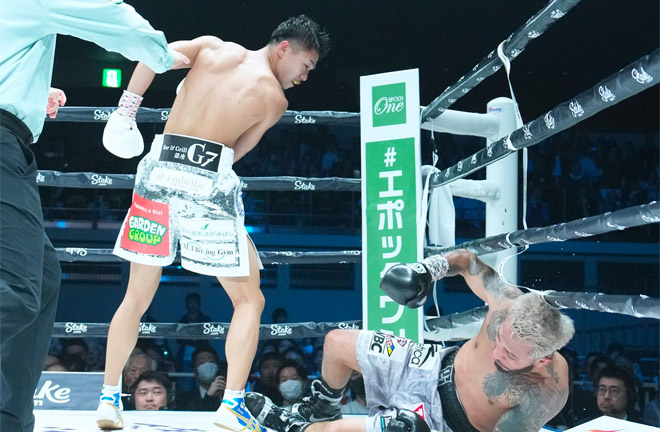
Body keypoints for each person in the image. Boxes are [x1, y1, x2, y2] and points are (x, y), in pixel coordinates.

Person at [97, 15, 330, 431]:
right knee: (249, 301)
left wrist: (126, 111)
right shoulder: (274, 100)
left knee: (136, 297)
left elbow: (152, 53)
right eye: (306, 66)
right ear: (284, 48)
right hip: (207, 186)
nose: (304, 77)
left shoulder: (210, 47)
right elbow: (232, 157)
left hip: (157, 176)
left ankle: (109, 399)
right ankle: (231, 405)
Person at [0, 1, 189, 430]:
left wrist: (28, 95)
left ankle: (10, 419)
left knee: (43, 278)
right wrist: (159, 54)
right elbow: (110, 14)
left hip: (12, 145)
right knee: (18, 287)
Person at [246, 249, 575, 432]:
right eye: (499, 341)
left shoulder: (545, 392)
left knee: (396, 431)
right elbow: (466, 261)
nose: (497, 352)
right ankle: (323, 408)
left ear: (542, 359)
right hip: (427, 364)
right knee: (337, 343)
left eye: (512, 355)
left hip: (440, 423)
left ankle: (297, 431)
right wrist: (424, 270)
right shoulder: (507, 302)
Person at [577, 366, 642, 423]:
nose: (606, 396)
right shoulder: (582, 427)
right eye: (602, 389)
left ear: (629, 395)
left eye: (614, 391)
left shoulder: (643, 429)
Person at [178, 346, 228, 411]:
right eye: (202, 363)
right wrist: (209, 396)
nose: (208, 366)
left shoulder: (227, 395)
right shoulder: (185, 398)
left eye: (211, 361)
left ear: (217, 367)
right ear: (195, 371)